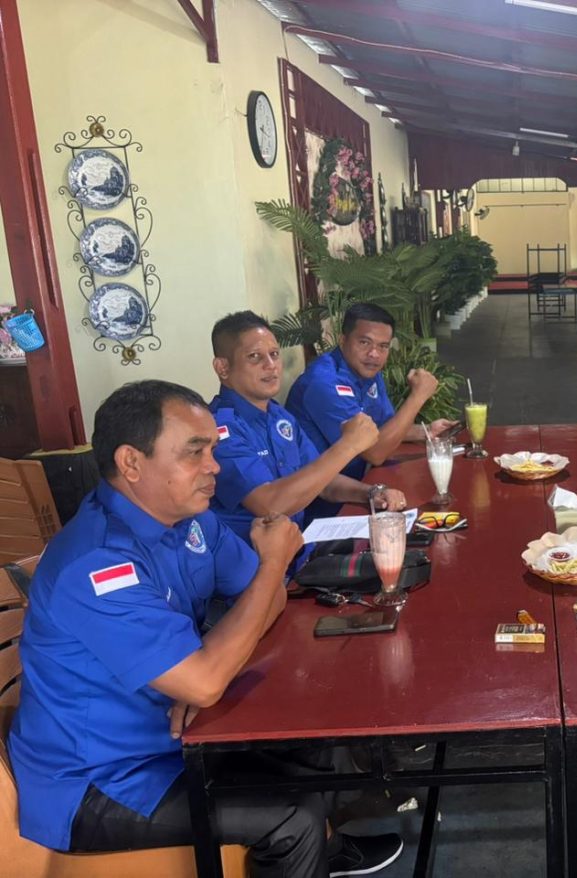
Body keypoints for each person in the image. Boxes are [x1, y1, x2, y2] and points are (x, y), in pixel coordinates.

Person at [8, 381, 403, 878]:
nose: (214, 466)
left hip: (176, 737)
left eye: (213, 450)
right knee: (291, 813)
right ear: (131, 463)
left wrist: (210, 669)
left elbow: (273, 598)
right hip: (103, 778)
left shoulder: (190, 522)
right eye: (195, 452)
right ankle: (307, 848)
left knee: (310, 735)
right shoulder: (98, 563)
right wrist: (210, 666)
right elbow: (245, 617)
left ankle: (323, 854)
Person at [207, 311, 406, 543]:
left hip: (300, 546)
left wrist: (372, 493)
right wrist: (348, 446)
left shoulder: (278, 416)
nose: (271, 366)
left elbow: (325, 482)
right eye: (254, 357)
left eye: (274, 354)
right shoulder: (217, 430)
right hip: (256, 559)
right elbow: (269, 505)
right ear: (223, 368)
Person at [285, 303, 454, 493]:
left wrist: (425, 432)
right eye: (364, 343)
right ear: (342, 340)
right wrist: (417, 397)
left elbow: (381, 430)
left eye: (383, 346)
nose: (374, 354)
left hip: (365, 483)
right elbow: (375, 453)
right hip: (327, 498)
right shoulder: (324, 383)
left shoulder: (366, 369)